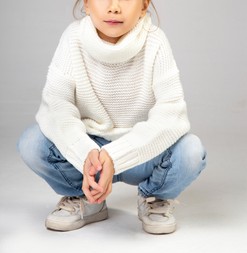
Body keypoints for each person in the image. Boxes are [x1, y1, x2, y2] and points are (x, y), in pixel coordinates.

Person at [17, 0, 206, 234]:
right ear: (86, 4)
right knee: (32, 142)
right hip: (89, 158)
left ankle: (153, 198)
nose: (114, 7)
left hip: (141, 153)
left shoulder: (155, 40)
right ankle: (86, 199)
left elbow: (171, 114)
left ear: (144, 6)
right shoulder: (73, 37)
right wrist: (86, 153)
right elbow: (56, 107)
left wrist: (115, 156)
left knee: (191, 151)